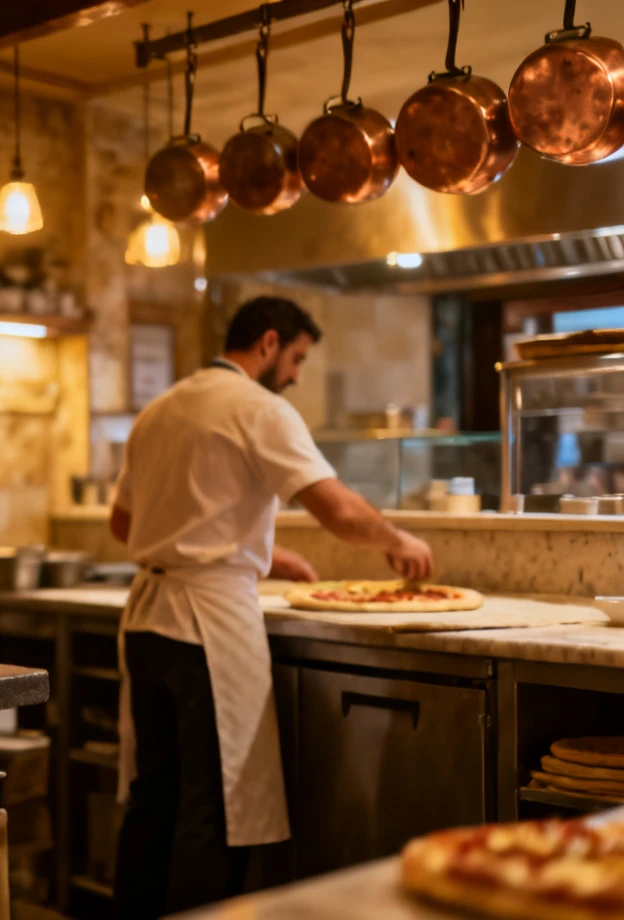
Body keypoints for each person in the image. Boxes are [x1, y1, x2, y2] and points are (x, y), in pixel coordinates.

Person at [108, 297, 435, 919]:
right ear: (267, 343)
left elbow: (125, 525)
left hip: (149, 620)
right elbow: (336, 510)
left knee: (154, 797)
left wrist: (259, 551)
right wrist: (400, 540)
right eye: (297, 358)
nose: (297, 374)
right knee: (216, 808)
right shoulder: (260, 409)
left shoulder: (163, 407)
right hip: (206, 625)